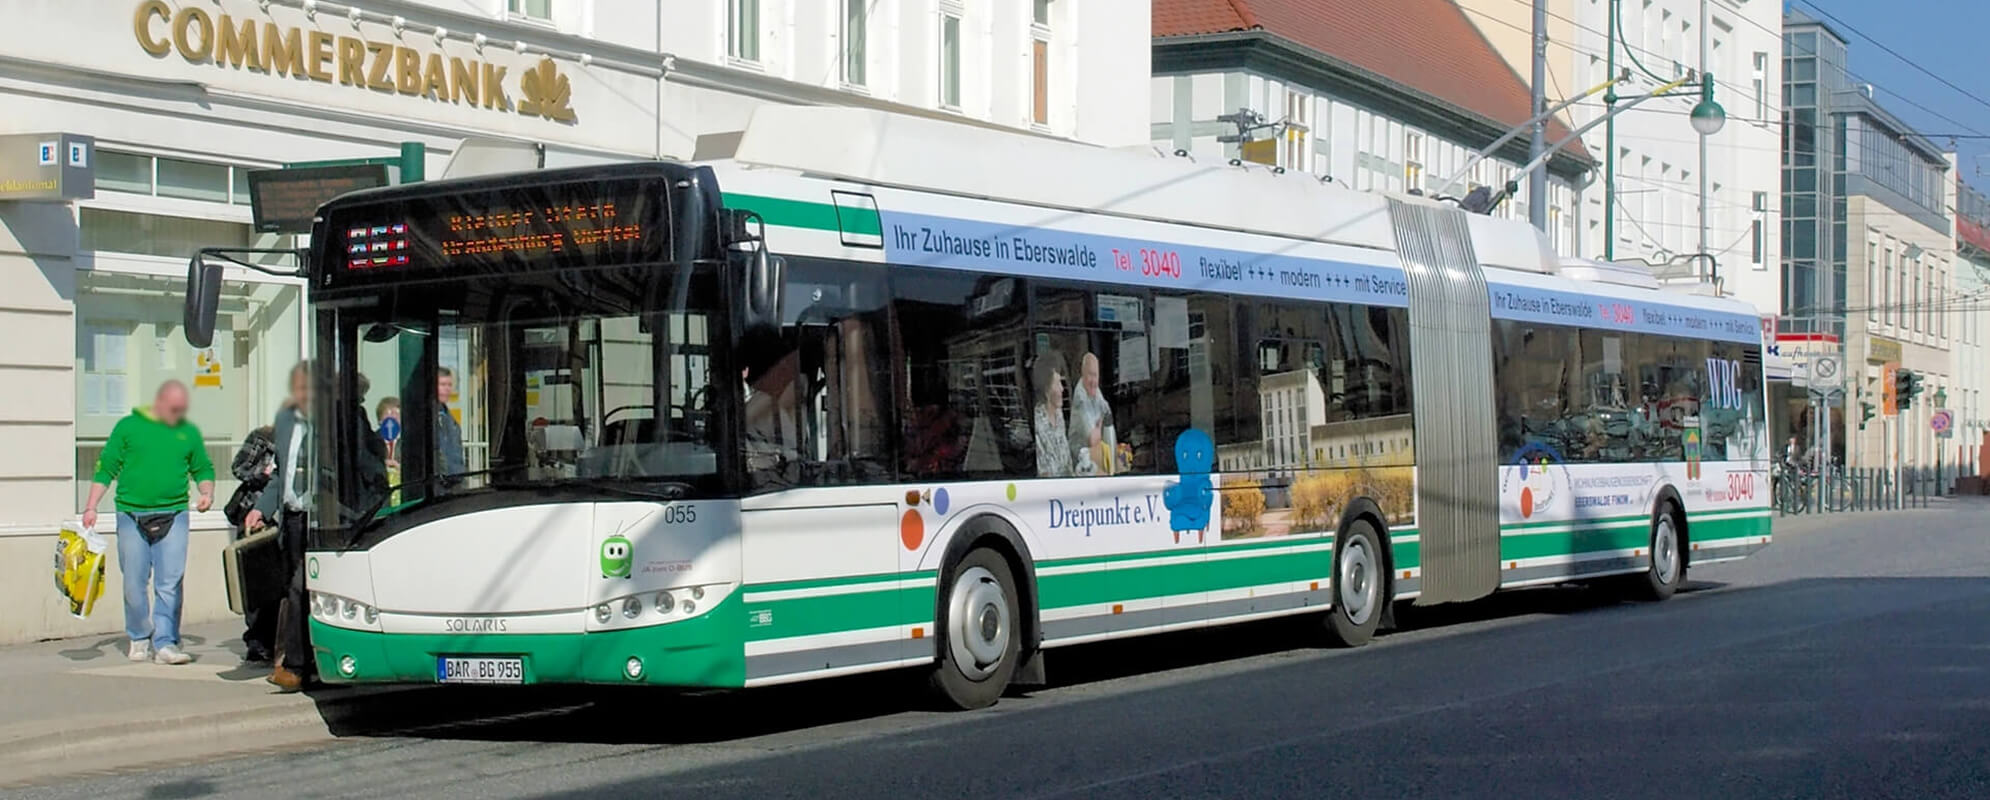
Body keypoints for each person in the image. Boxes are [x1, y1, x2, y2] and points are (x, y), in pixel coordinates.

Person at [82, 380, 215, 666]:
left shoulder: (188, 432)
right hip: (131, 514)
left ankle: (166, 643)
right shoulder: (128, 427)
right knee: (134, 582)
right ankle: (139, 636)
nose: (178, 414)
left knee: (170, 582)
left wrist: (207, 493)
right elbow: (106, 466)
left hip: (175, 513)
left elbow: (202, 466)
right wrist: (91, 506)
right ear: (160, 402)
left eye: (182, 409)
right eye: (174, 408)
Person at [243, 362, 315, 691]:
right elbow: (279, 473)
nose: (302, 394)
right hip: (293, 518)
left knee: (301, 588)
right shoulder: (286, 422)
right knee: (291, 590)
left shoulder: (329, 420)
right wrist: (260, 509)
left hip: (320, 519)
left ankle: (296, 666)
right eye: (297, 387)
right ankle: (298, 660)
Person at [223, 425, 278, 664]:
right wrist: (265, 476)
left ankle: (276, 639)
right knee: (256, 581)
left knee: (281, 584)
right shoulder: (263, 438)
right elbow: (239, 467)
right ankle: (256, 641)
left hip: (286, 518)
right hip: (254, 516)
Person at [1032, 353, 1080, 478]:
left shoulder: (1058, 414)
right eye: (1058, 383)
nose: (1062, 389)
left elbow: (1066, 459)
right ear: (1046, 388)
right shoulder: (1038, 422)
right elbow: (1044, 471)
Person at [1067, 352, 1113, 473]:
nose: (1093, 380)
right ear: (1082, 375)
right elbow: (1093, 440)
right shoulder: (1080, 399)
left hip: (1095, 458)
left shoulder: (1094, 389)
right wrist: (1100, 426)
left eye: (1096, 375)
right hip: (1080, 466)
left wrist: (1100, 425)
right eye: (1090, 375)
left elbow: (1108, 414)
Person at [436, 368, 465, 484]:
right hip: (438, 483)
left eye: (449, 385)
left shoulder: (451, 420)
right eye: (442, 384)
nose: (447, 389)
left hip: (455, 482)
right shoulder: (426, 418)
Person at [375, 396, 401, 466]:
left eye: (397, 414)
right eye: (389, 414)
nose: (394, 418)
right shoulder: (370, 441)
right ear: (380, 420)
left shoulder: (410, 443)